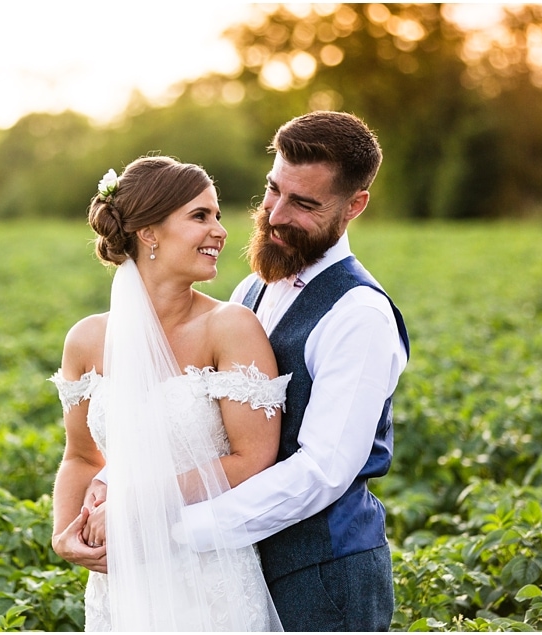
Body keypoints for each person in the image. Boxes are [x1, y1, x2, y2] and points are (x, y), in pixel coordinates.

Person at [176, 110, 411, 631]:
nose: (276, 214)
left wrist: (181, 530)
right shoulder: (250, 291)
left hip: (325, 578)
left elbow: (323, 471)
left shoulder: (359, 315)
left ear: (355, 206)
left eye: (303, 203)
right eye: (273, 190)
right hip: (238, 569)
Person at [48, 156, 290, 631]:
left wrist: (136, 506)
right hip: (120, 578)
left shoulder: (231, 327)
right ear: (149, 233)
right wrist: (63, 535)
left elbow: (254, 457)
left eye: (217, 215)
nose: (220, 231)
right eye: (200, 216)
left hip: (208, 576)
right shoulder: (86, 340)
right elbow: (80, 456)